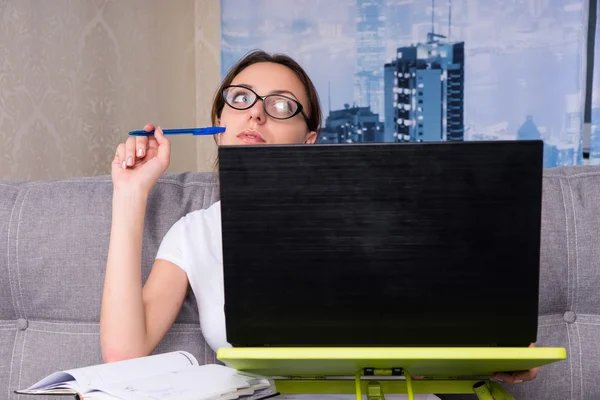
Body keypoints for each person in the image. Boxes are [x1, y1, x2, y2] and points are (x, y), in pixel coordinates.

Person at [99, 49, 538, 388]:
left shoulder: (378, 219)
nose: (255, 112)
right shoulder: (194, 234)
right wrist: (131, 193)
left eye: (282, 106)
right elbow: (123, 356)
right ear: (220, 118)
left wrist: (494, 354)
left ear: (308, 139)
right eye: (241, 99)